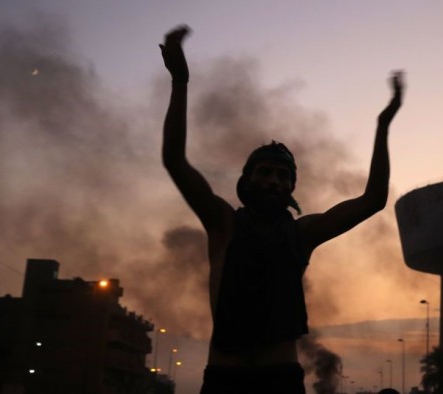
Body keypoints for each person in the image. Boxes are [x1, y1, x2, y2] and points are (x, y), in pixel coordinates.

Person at [159, 25, 404, 394]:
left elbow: (373, 200)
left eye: (282, 176)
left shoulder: (301, 233)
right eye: (265, 172)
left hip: (281, 377)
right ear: (248, 181)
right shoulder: (223, 223)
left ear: (291, 188)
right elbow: (175, 160)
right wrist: (180, 82)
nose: (273, 181)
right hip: (225, 376)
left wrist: (382, 127)